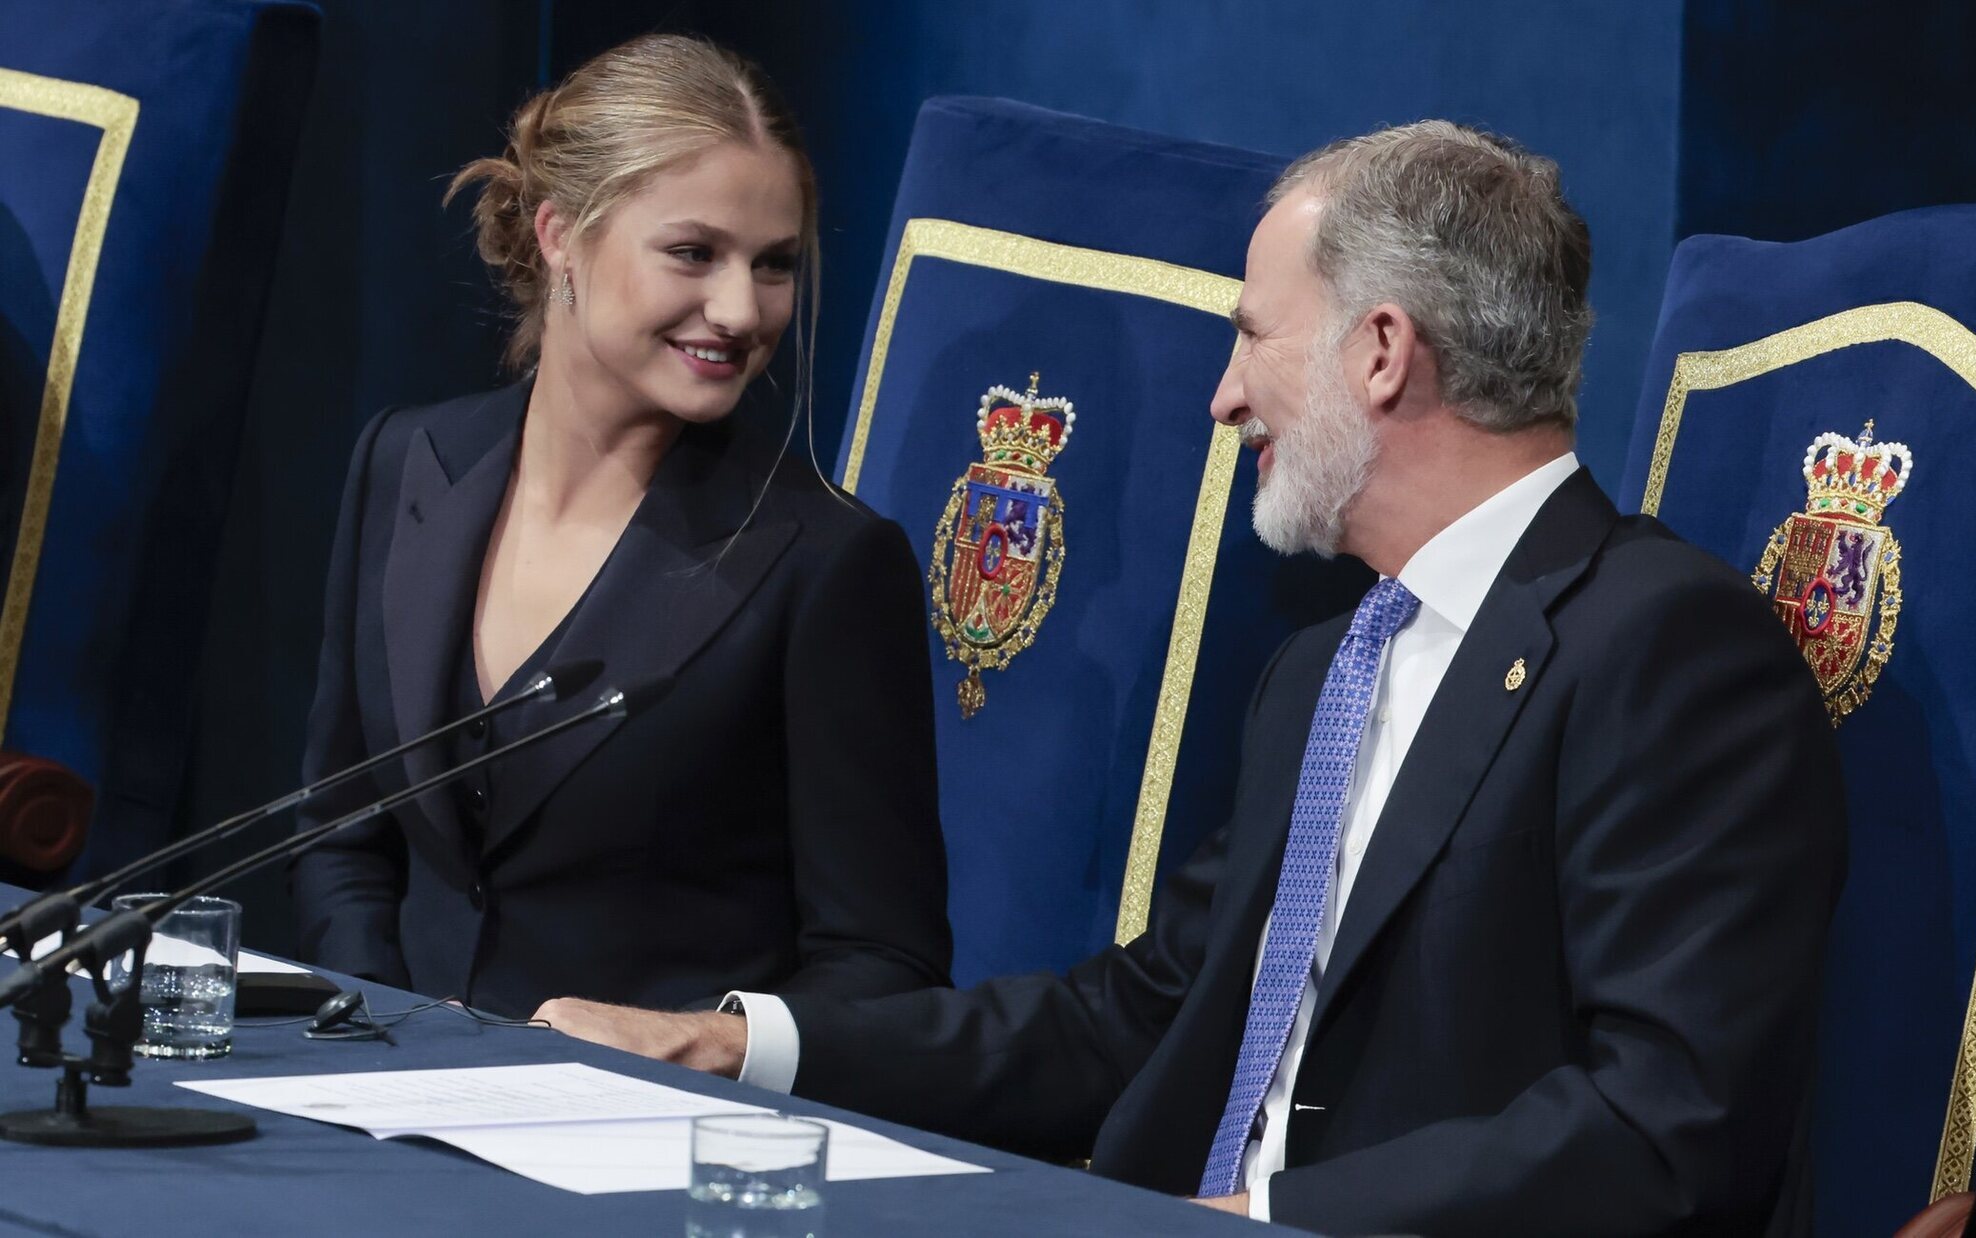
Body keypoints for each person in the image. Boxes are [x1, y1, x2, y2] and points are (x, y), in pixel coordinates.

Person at [535, 120, 1846, 1235]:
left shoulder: (1664, 645)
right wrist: (737, 1042)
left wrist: (1270, 1219)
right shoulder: (1326, 668)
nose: (1224, 396)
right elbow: (1136, 1015)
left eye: (1254, 335)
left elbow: (1668, 1120)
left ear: (1381, 351)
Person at [291, 35, 951, 1020]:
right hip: (385, 1101)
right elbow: (341, 832)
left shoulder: (825, 562)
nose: (739, 309)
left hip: (645, 1142)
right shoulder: (404, 460)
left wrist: (703, 1046)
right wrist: (383, 1040)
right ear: (560, 233)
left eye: (773, 265)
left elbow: (880, 963)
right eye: (692, 253)